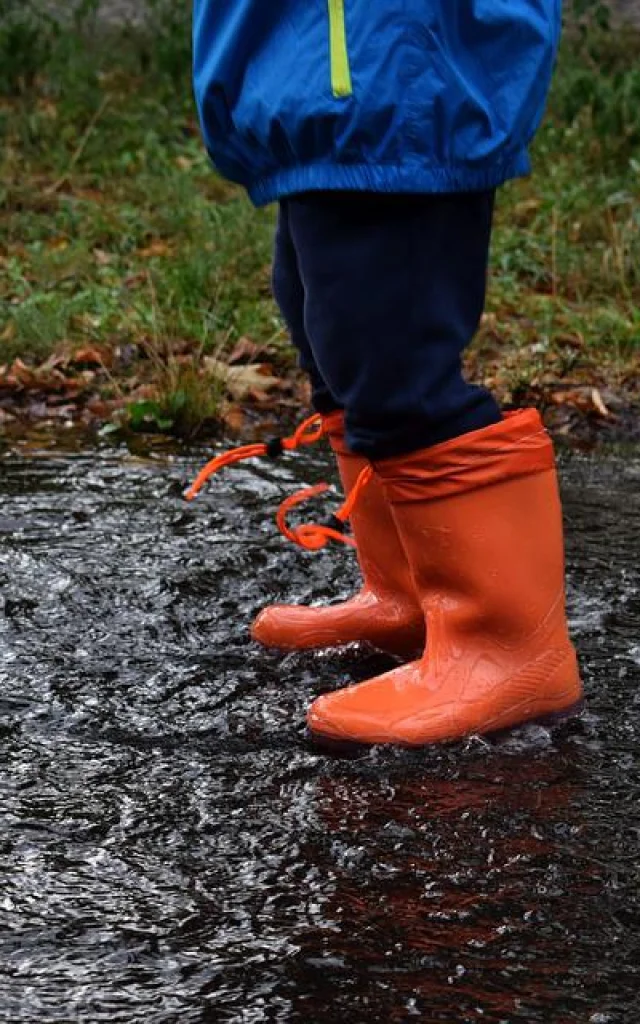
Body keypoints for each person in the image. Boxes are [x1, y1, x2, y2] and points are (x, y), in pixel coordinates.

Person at [191, 1, 584, 748]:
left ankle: (506, 648)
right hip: (318, 80)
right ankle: (410, 593)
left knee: (390, 355)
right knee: (330, 332)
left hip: (392, 76)